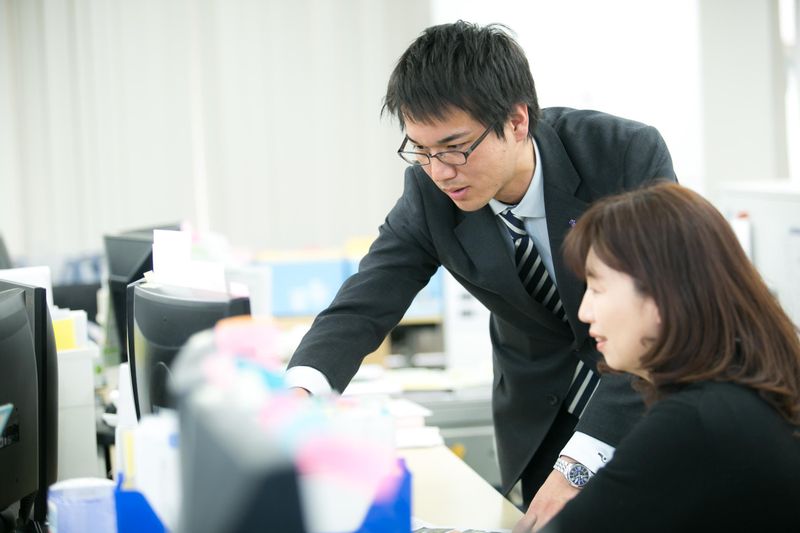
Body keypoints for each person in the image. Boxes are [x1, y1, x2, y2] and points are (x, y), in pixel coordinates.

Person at [285, 20, 676, 517]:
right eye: (421, 150)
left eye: (455, 147)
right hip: (541, 415)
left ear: (517, 121)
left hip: (643, 399)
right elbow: (364, 303)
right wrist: (300, 394)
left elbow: (661, 314)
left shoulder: (621, 154)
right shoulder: (429, 194)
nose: (440, 171)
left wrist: (579, 466)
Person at [512, 182, 800, 532]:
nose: (584, 312)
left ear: (663, 296)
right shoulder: (744, 392)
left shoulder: (689, 422)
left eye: (597, 289)